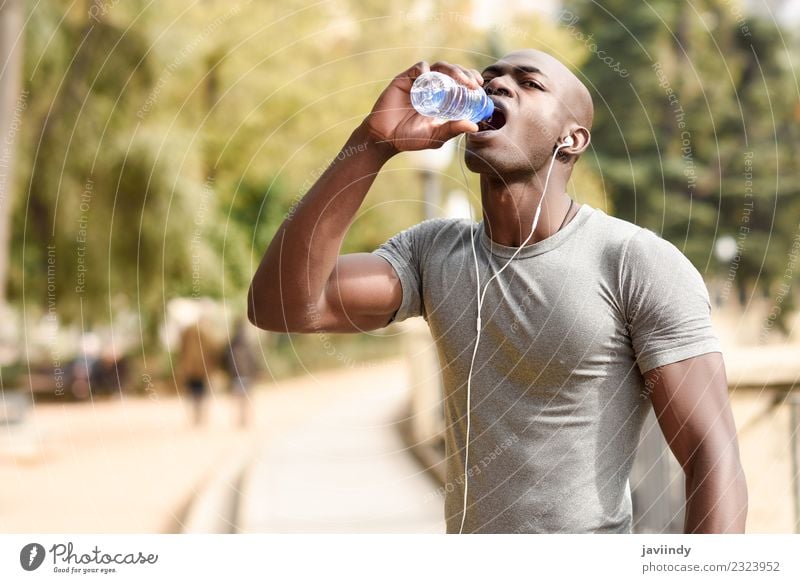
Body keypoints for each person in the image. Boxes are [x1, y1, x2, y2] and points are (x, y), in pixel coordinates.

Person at [247, 50, 748, 534]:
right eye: (489, 81)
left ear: (570, 139)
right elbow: (281, 306)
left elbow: (711, 454)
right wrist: (373, 142)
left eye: (528, 83)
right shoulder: (432, 253)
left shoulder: (634, 263)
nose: (497, 86)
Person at [179, 318, 216, 427]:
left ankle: (195, 416)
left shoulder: (187, 332)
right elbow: (212, 350)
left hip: (190, 368)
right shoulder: (206, 333)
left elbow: (182, 349)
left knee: (192, 393)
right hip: (202, 368)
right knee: (201, 393)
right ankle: (200, 416)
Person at [223, 319, 258, 428]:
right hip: (246, 375)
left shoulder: (230, 344)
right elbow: (252, 359)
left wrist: (227, 372)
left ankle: (241, 420)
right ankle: (244, 420)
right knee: (245, 399)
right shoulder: (247, 343)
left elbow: (225, 360)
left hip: (235, 375)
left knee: (238, 400)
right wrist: (256, 371)